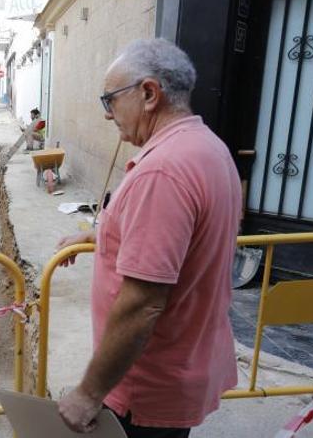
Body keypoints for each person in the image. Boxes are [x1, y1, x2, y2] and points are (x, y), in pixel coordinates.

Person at [55, 38, 240, 437]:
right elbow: (176, 244)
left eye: (110, 100)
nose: (108, 115)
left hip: (145, 388)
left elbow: (142, 304)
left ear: (149, 94)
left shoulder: (163, 173)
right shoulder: (209, 149)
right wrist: (96, 236)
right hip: (181, 368)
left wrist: (88, 393)